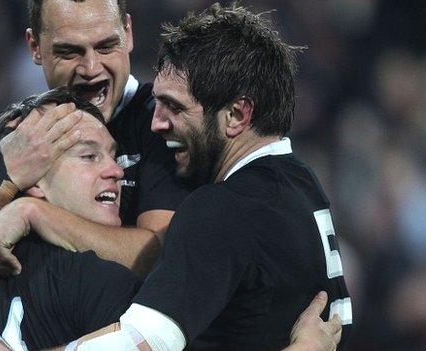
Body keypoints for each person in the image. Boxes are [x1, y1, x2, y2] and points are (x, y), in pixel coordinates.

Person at [46, 3, 352, 350]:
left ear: (236, 114)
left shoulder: (224, 209)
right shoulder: (301, 184)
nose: (156, 123)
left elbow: (140, 344)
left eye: (174, 107)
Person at [0, 88, 342, 351]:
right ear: (34, 184)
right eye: (88, 157)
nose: (115, 170)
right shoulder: (99, 282)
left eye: (113, 155)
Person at [0, 0, 190, 326]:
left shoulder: (165, 129)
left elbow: (165, 261)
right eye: (69, 52)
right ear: (35, 47)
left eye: (105, 46)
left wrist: (33, 214)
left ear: (127, 33)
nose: (90, 68)